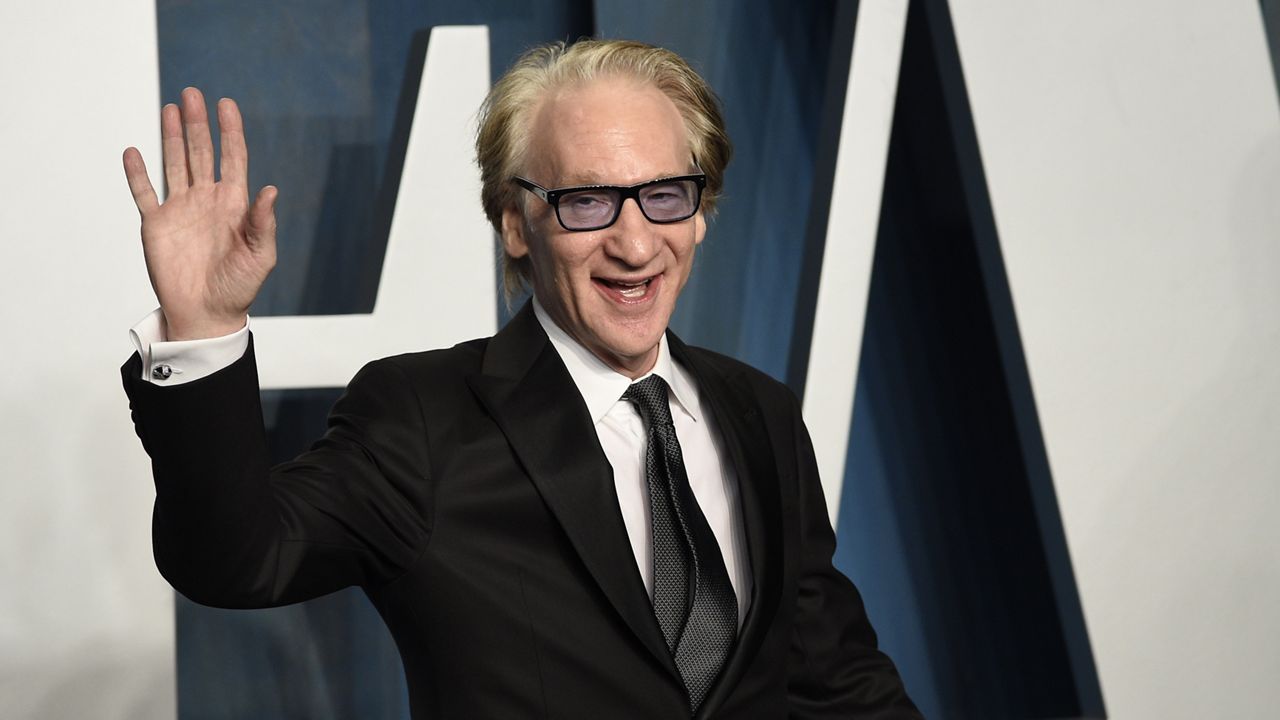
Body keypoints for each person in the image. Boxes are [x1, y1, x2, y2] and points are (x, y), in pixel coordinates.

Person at [120, 39, 921, 719]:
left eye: (665, 197)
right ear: (513, 222)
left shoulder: (761, 413)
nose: (636, 246)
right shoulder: (422, 419)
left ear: (701, 211)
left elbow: (836, 682)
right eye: (588, 203)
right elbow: (236, 560)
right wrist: (202, 330)